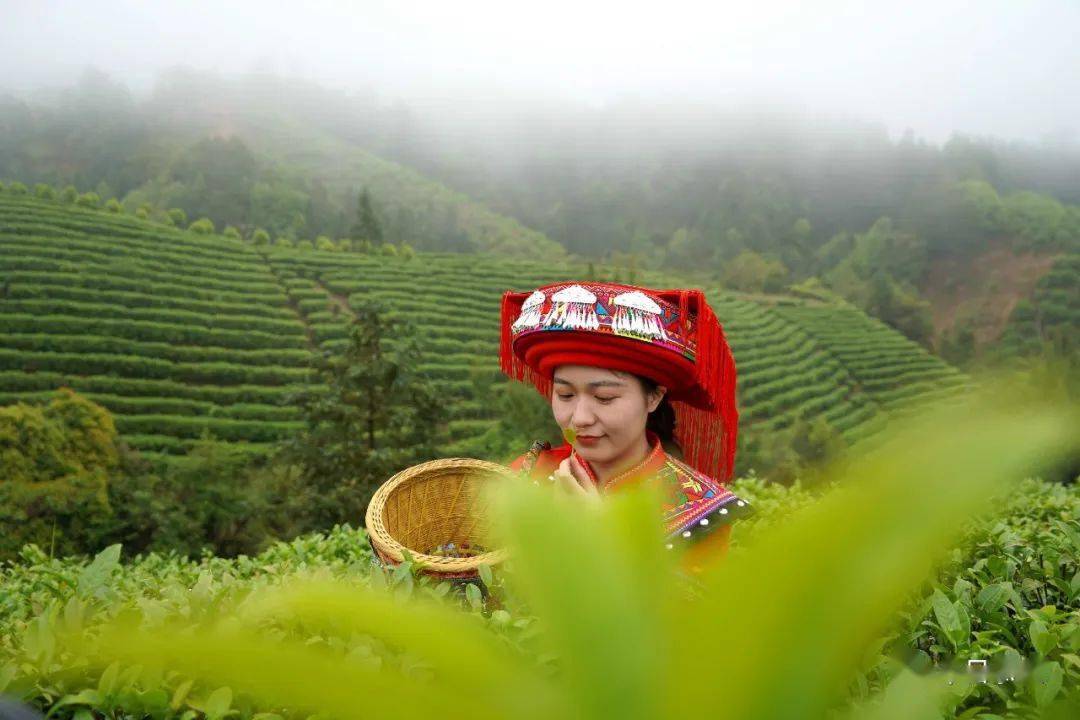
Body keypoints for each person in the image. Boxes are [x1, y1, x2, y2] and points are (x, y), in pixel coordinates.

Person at [499, 281, 751, 573]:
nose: (579, 418)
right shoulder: (527, 474)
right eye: (565, 395)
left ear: (654, 397)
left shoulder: (699, 509)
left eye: (605, 398)